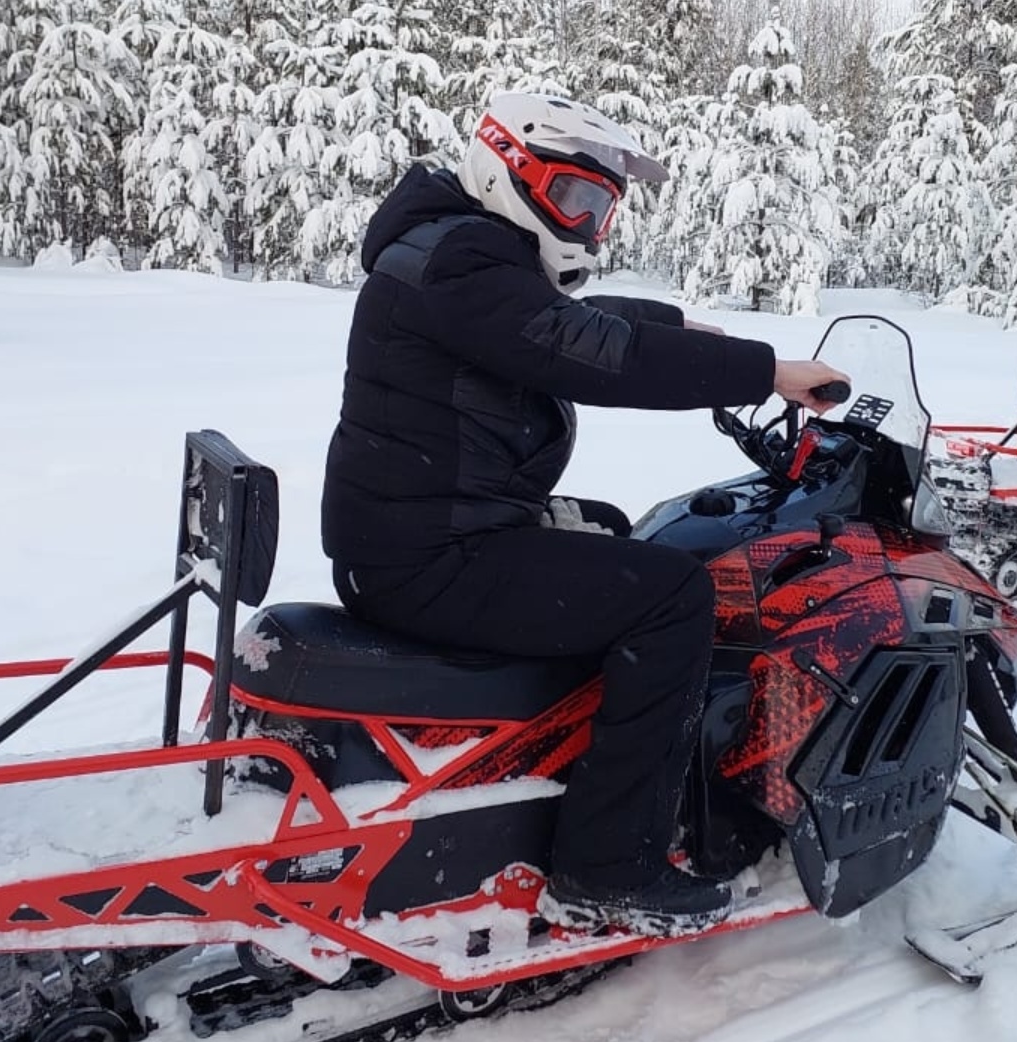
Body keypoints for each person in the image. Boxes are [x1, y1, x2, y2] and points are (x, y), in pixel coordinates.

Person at [320, 92, 849, 939]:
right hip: (431, 556)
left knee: (613, 530)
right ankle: (607, 868)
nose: (587, 224)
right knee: (673, 596)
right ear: (508, 170)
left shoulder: (456, 247)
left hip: (421, 529)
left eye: (600, 208)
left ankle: (563, 771)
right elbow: (594, 351)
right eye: (574, 200)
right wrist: (764, 372)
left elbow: (563, 320)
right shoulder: (460, 262)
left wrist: (685, 326)